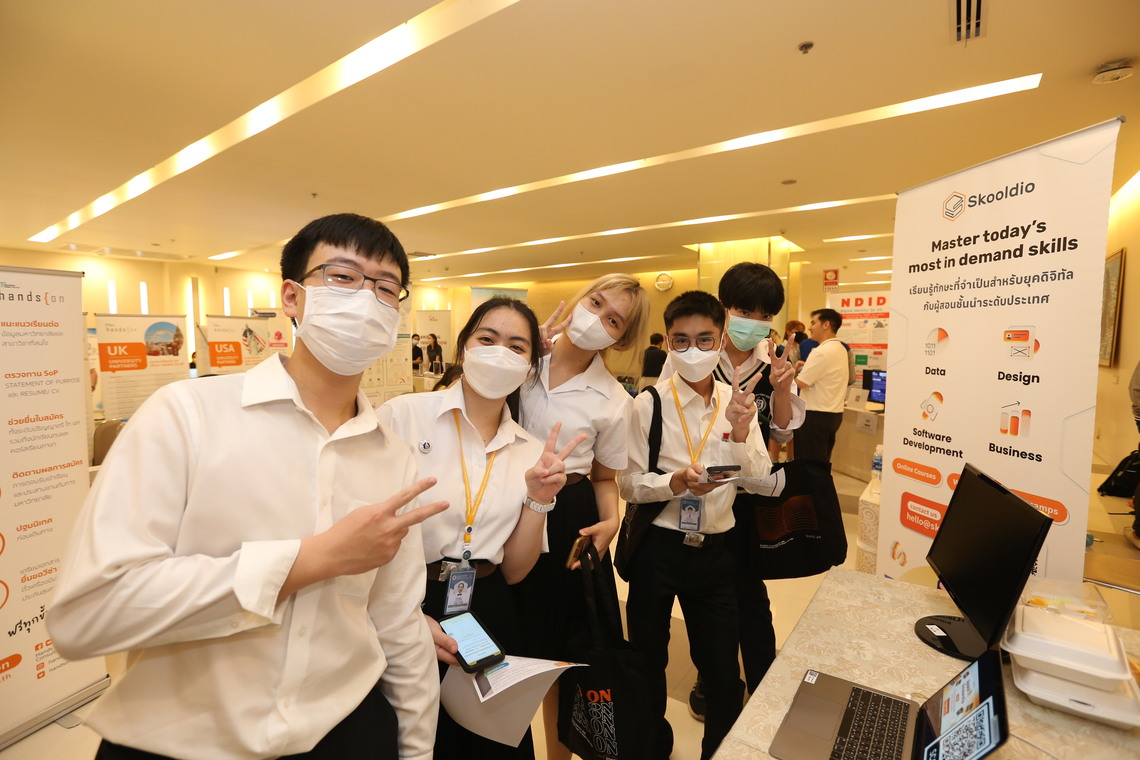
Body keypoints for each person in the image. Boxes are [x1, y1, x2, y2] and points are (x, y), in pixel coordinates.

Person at [47, 213, 447, 760]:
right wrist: (309, 560)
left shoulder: (392, 456)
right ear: (292, 296)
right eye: (342, 276)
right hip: (181, 743)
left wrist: (417, 750)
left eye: (385, 288)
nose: (366, 299)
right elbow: (89, 613)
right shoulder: (187, 415)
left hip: (346, 733)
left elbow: (398, 625)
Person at [377, 297, 585, 760]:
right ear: (463, 347)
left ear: (530, 366)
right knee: (408, 736)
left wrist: (539, 498)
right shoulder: (403, 416)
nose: (499, 353)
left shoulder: (529, 449)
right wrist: (402, 614)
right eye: (487, 339)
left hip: (486, 605)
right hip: (407, 598)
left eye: (516, 346)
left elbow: (515, 570)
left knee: (487, 740)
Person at [620, 290, 773, 760]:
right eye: (681, 340)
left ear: (722, 340)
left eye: (704, 339)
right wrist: (674, 483)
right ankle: (651, 748)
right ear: (668, 343)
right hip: (658, 548)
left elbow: (760, 477)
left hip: (716, 551)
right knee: (647, 661)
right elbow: (628, 484)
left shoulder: (737, 402)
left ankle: (717, 752)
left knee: (723, 670)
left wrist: (742, 432)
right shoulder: (648, 404)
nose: (693, 350)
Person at [513, 273, 650, 760]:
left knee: (559, 653)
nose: (596, 319)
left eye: (613, 320)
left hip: (565, 513)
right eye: (595, 303)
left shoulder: (614, 400)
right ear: (578, 300)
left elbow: (604, 478)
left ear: (621, 339)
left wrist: (611, 521)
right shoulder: (521, 359)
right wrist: (521, 351)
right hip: (496, 501)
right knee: (498, 639)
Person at [658, 262, 802, 719]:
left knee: (752, 599)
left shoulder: (771, 359)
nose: (753, 321)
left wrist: (781, 388)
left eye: (765, 314)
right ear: (724, 308)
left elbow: (781, 434)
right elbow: (665, 416)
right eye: (744, 310)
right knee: (706, 600)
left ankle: (763, 689)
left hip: (750, 497)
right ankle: (711, 680)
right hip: (701, 497)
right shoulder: (695, 351)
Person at [794, 307, 848, 462]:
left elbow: (801, 383)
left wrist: (792, 373)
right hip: (833, 414)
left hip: (815, 416)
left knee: (809, 462)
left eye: (813, 323)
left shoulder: (821, 351)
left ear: (826, 325)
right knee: (822, 460)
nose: (810, 327)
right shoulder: (840, 348)